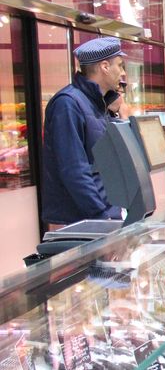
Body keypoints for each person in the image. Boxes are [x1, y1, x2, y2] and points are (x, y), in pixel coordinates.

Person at [41, 37, 127, 228]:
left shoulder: (98, 104)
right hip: (78, 220)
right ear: (105, 66)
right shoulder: (68, 104)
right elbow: (74, 169)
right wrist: (102, 217)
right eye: (120, 65)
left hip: (101, 214)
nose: (122, 73)